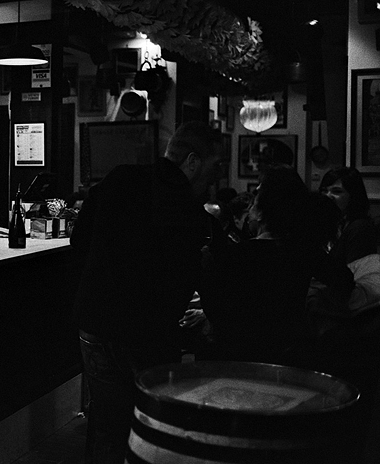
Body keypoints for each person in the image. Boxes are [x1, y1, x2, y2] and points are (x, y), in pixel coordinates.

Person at [71, 121, 224, 463]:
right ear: (192, 162)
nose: (217, 176)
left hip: (95, 322)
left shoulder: (119, 178)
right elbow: (190, 279)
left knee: (106, 424)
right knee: (149, 427)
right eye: (215, 165)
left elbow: (78, 242)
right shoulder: (189, 210)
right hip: (147, 334)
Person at [199, 165, 353, 365]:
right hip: (291, 354)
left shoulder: (238, 254)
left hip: (240, 357)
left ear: (262, 211)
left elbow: (218, 312)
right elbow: (344, 280)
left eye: (257, 195)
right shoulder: (304, 251)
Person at [319, 167, 377, 266]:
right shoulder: (327, 223)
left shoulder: (359, 228)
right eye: (324, 191)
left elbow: (355, 271)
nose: (328, 196)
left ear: (353, 196)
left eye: (336, 191)